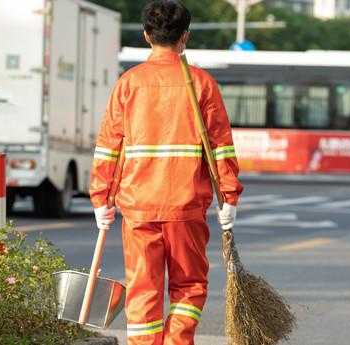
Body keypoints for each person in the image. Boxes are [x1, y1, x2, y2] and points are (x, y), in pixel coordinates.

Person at [89, 1, 243, 344]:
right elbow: (222, 147)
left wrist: (101, 199)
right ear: (184, 37)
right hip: (185, 207)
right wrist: (229, 197)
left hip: (139, 207)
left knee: (143, 290)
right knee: (189, 287)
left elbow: (108, 148)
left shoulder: (128, 85)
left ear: (147, 36)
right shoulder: (202, 85)